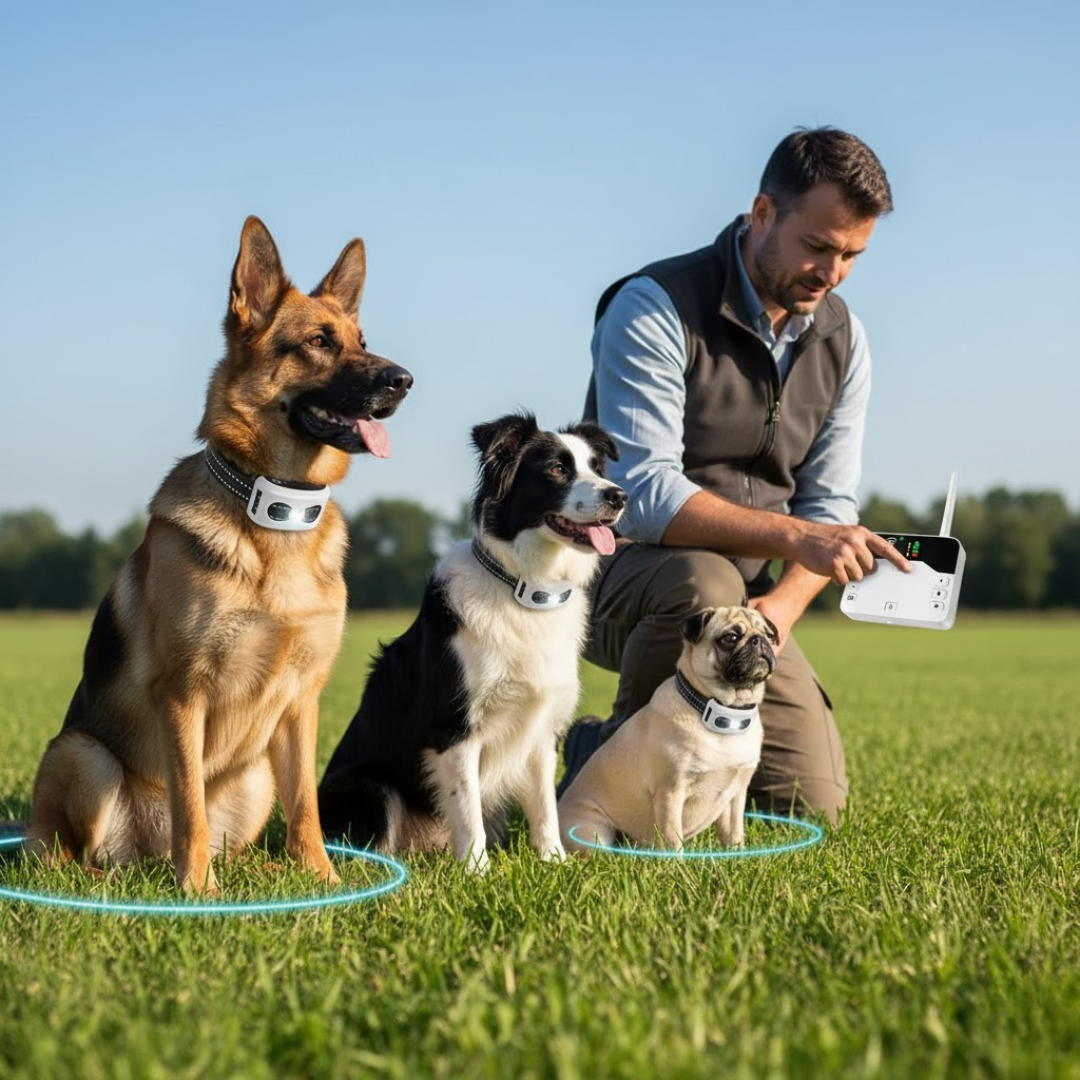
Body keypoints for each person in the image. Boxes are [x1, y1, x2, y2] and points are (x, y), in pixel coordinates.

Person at [558, 127, 909, 825]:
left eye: (851, 256)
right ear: (761, 213)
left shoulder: (846, 340)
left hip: (744, 612)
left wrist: (775, 615)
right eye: (818, 246)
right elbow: (646, 495)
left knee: (812, 805)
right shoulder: (654, 304)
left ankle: (596, 741)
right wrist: (798, 537)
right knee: (704, 579)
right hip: (617, 575)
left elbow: (829, 509)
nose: (832, 271)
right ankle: (608, 763)